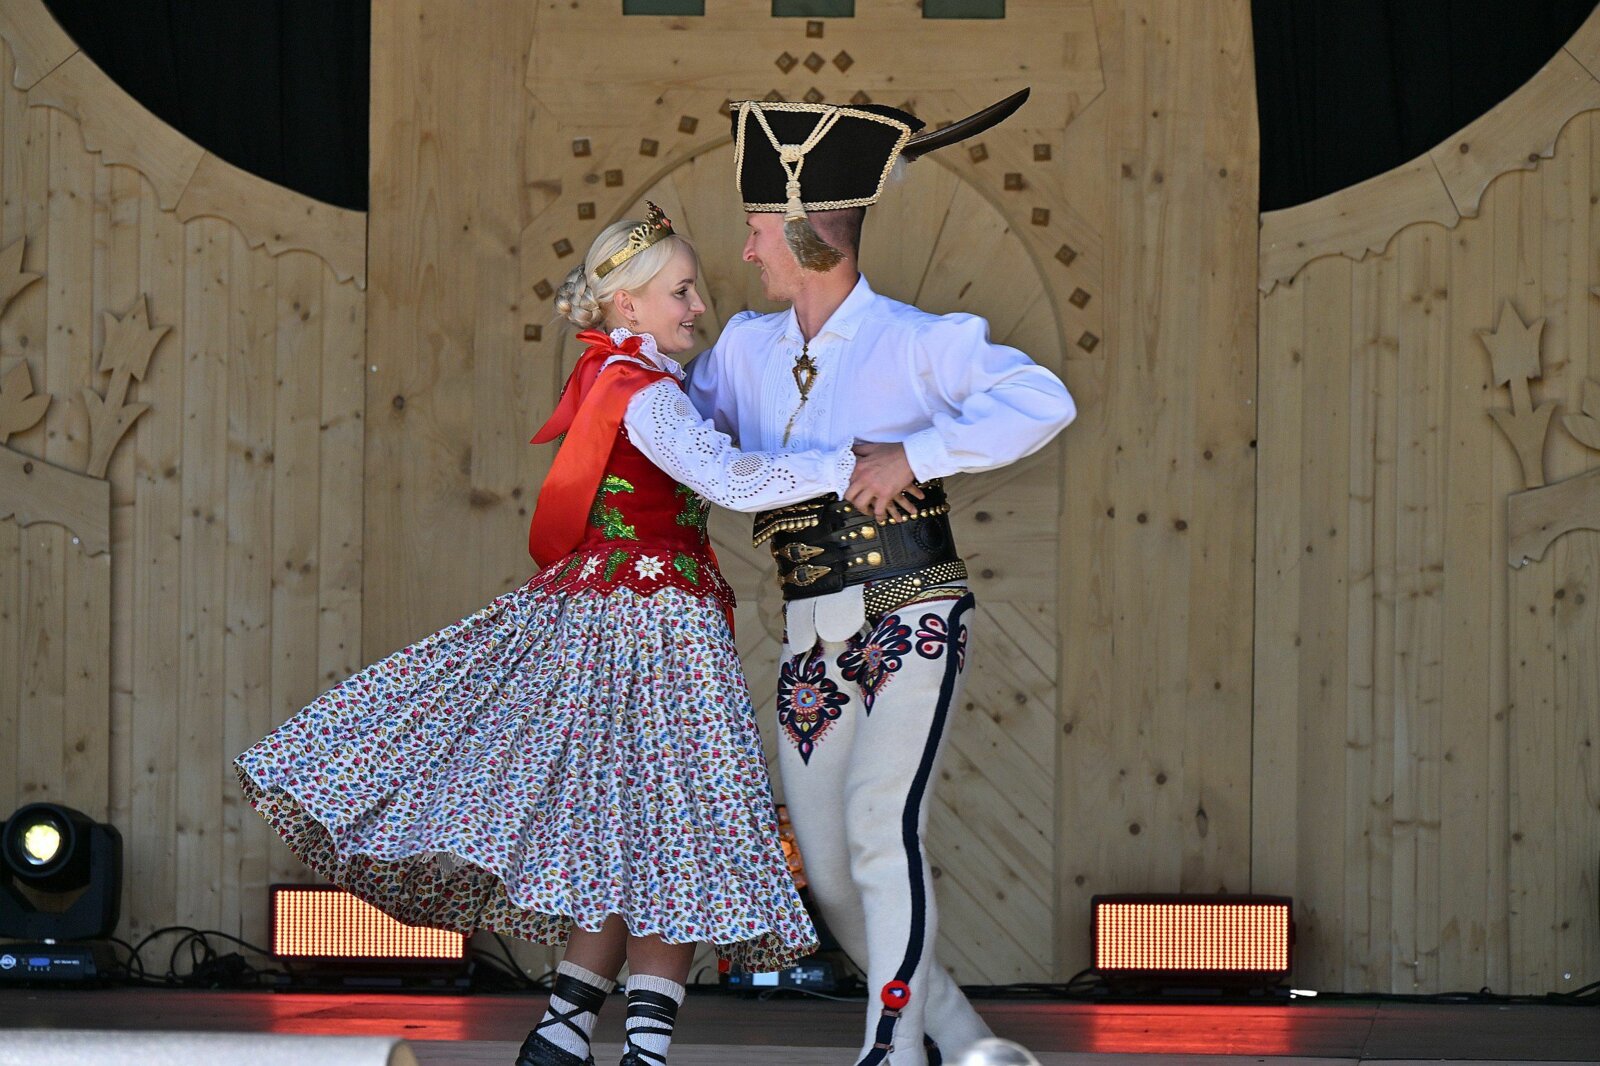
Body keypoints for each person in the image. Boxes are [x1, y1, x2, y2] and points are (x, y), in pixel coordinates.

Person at [236, 204, 864, 1066]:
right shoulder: (647, 395)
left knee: (622, 834)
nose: (698, 306)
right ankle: (638, 1050)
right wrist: (846, 465)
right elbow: (728, 478)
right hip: (657, 628)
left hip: (614, 617)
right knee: (671, 834)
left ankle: (561, 1036)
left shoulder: (625, 380)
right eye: (682, 292)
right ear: (628, 305)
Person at [686, 96, 1075, 1066]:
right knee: (829, 876)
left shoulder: (917, 340)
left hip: (910, 608)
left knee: (877, 826)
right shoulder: (744, 349)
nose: (747, 251)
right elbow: (679, 432)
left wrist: (916, 454)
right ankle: (970, 1045)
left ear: (806, 234)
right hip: (807, 629)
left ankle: (891, 1050)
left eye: (757, 230)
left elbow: (1043, 399)